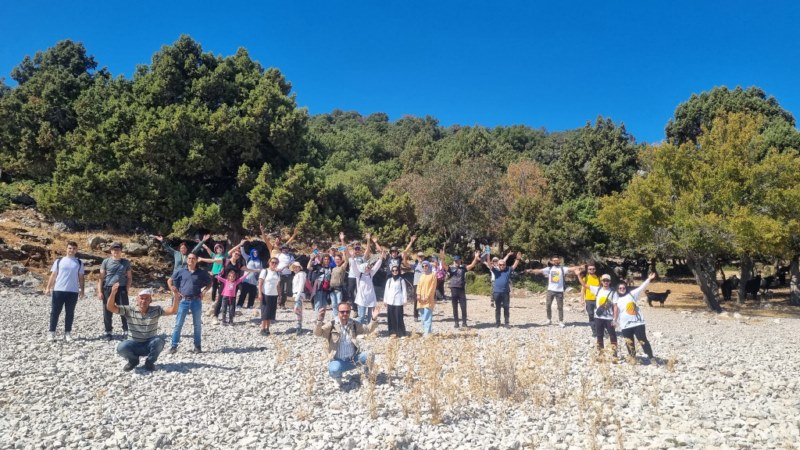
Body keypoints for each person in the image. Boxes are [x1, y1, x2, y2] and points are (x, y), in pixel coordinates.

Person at [106, 286, 179, 371]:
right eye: (141, 298)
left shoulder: (156, 310)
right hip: (133, 344)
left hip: (148, 345)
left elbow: (173, 311)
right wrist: (113, 293)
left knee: (159, 341)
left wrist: (176, 295)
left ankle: (149, 362)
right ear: (137, 299)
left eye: (146, 299)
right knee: (121, 347)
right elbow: (110, 307)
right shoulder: (129, 310)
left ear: (150, 301)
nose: (143, 301)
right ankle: (133, 361)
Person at [313, 302, 379, 386]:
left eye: (347, 312)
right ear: (337, 312)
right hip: (339, 361)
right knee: (333, 369)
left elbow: (368, 329)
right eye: (342, 312)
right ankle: (338, 378)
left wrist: (374, 318)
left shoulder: (354, 324)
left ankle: (364, 376)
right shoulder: (332, 324)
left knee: (369, 355)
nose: (345, 314)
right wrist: (319, 320)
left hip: (354, 359)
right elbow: (317, 333)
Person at [166, 253, 212, 354]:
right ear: (187, 260)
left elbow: (210, 282)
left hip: (196, 300)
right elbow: (170, 281)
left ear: (196, 260)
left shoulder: (201, 272)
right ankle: (174, 346)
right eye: (189, 258)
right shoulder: (181, 271)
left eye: (193, 259)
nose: (191, 260)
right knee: (178, 324)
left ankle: (197, 346)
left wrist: (204, 291)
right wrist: (174, 290)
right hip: (183, 301)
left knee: (197, 325)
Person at [44, 241, 85, 342]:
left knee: (70, 313)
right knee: (55, 312)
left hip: (73, 291)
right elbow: (53, 275)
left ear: (76, 250)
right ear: (66, 249)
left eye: (74, 248)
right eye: (70, 248)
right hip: (58, 290)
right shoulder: (59, 261)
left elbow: (81, 278)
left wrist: (82, 290)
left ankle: (67, 333)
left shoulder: (79, 263)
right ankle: (51, 333)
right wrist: (48, 288)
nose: (71, 250)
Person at [526, 256, 579, 327]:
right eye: (554, 260)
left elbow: (571, 269)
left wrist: (580, 267)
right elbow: (539, 271)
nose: (556, 262)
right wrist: (531, 270)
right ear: (551, 262)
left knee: (560, 307)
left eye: (557, 260)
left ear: (559, 261)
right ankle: (549, 320)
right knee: (548, 305)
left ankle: (560, 321)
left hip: (559, 291)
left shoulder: (562, 269)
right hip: (550, 290)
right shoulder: (549, 269)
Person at [614, 272, 657, 361]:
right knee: (629, 343)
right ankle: (633, 358)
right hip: (625, 325)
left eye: (624, 288)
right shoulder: (616, 300)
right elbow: (616, 312)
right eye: (620, 288)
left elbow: (641, 288)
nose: (622, 289)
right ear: (617, 289)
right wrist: (615, 322)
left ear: (626, 288)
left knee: (643, 340)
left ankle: (651, 357)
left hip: (638, 323)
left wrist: (649, 279)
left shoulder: (632, 294)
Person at [575, 271, 618, 356]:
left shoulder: (614, 292)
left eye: (607, 280)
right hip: (598, 317)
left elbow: (616, 307)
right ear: (601, 281)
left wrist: (615, 319)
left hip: (609, 318)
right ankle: (600, 353)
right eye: (604, 280)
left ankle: (614, 354)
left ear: (610, 281)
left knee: (612, 336)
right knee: (599, 335)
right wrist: (578, 275)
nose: (606, 282)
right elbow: (584, 285)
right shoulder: (597, 289)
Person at [97, 242, 132, 340]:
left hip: (121, 288)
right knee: (107, 310)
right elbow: (101, 278)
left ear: (121, 251)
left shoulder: (126, 262)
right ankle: (108, 332)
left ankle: (126, 330)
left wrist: (127, 288)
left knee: (124, 310)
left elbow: (129, 277)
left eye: (118, 249)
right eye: (114, 249)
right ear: (111, 251)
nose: (116, 251)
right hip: (108, 288)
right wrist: (100, 291)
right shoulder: (106, 262)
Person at [440, 248, 481, 329]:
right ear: (453, 261)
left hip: (461, 289)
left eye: (458, 261)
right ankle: (456, 322)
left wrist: (476, 258)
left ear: (460, 261)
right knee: (454, 307)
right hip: (453, 289)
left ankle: (464, 322)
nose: (457, 262)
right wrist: (442, 258)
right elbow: (444, 266)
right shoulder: (451, 268)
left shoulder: (463, 268)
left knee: (463, 306)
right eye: (455, 261)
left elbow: (472, 265)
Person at [485, 252, 521, 327]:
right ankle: (498, 323)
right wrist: (488, 257)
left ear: (505, 265)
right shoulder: (495, 271)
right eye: (500, 265)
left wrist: (517, 259)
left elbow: (514, 266)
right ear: (498, 265)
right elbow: (489, 264)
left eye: (503, 264)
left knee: (506, 308)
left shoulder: (508, 270)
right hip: (497, 292)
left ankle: (506, 323)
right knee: (497, 309)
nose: (502, 266)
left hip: (505, 293)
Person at [352, 245, 385, 325]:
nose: (369, 267)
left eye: (370, 266)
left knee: (370, 316)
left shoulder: (371, 274)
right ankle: (359, 329)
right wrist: (352, 259)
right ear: (364, 267)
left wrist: (381, 257)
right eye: (368, 266)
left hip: (370, 297)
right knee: (362, 316)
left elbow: (377, 266)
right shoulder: (359, 275)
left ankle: (369, 330)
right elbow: (354, 267)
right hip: (362, 298)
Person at [257, 257, 282, 336]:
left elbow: (278, 285)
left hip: (274, 294)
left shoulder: (277, 273)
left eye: (276, 263)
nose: (274, 264)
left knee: (271, 312)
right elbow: (260, 283)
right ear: (269, 262)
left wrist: (280, 295)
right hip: (266, 294)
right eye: (272, 262)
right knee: (265, 312)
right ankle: (262, 329)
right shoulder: (265, 271)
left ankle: (267, 328)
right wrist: (260, 293)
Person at [383, 265, 408, 337]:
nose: (395, 272)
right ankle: (392, 332)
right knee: (391, 317)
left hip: (398, 301)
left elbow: (404, 291)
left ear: (398, 271)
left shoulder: (401, 280)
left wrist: (405, 300)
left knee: (399, 317)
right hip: (390, 301)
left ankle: (401, 333)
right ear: (391, 271)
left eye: (396, 270)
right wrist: (385, 300)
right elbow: (386, 291)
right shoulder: (389, 280)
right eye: (393, 270)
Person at [416, 260, 439, 336]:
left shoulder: (433, 275)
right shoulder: (422, 275)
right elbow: (419, 285)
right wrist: (418, 294)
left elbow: (433, 287)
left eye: (426, 266)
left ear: (429, 266)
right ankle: (425, 330)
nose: (425, 267)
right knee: (422, 315)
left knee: (427, 315)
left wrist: (427, 296)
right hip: (421, 299)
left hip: (428, 299)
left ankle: (428, 332)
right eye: (423, 266)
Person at [238, 243, 263, 309]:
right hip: (246, 278)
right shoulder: (248, 258)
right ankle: (239, 305)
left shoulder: (259, 261)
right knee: (243, 293)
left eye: (256, 252)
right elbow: (243, 253)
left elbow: (261, 270)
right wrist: (241, 245)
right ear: (251, 253)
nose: (255, 253)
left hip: (254, 280)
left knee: (253, 293)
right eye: (254, 252)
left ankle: (250, 305)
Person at [308, 254, 333, 321]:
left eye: (328, 259)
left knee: (324, 304)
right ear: (322, 260)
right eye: (325, 259)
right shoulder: (318, 266)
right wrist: (311, 259)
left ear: (330, 260)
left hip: (327, 288)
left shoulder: (331, 268)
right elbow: (308, 267)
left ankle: (321, 318)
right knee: (318, 303)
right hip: (318, 287)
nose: (326, 261)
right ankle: (316, 317)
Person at [580, 263, 601, 337]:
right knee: (591, 315)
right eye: (590, 269)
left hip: (598, 300)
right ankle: (594, 331)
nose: (592, 270)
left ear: (595, 269)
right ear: (587, 270)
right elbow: (583, 289)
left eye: (593, 269)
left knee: (599, 315)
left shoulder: (598, 278)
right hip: (589, 300)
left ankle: (601, 330)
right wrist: (582, 299)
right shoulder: (585, 278)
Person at [276, 244, 295, 309]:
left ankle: (282, 303)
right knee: (279, 289)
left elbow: (294, 265)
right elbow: (274, 264)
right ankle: (278, 303)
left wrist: (290, 265)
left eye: (286, 248)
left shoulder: (290, 256)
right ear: (281, 249)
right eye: (283, 248)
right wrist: (277, 269)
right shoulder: (278, 255)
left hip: (288, 275)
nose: (285, 249)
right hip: (279, 274)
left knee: (285, 290)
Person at [290, 261, 307, 335]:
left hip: (299, 294)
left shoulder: (301, 274)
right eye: (294, 267)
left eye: (297, 267)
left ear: (299, 267)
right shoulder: (296, 275)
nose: (295, 269)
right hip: (296, 294)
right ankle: (298, 326)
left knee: (297, 310)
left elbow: (301, 285)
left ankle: (299, 327)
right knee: (297, 311)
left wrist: (298, 295)